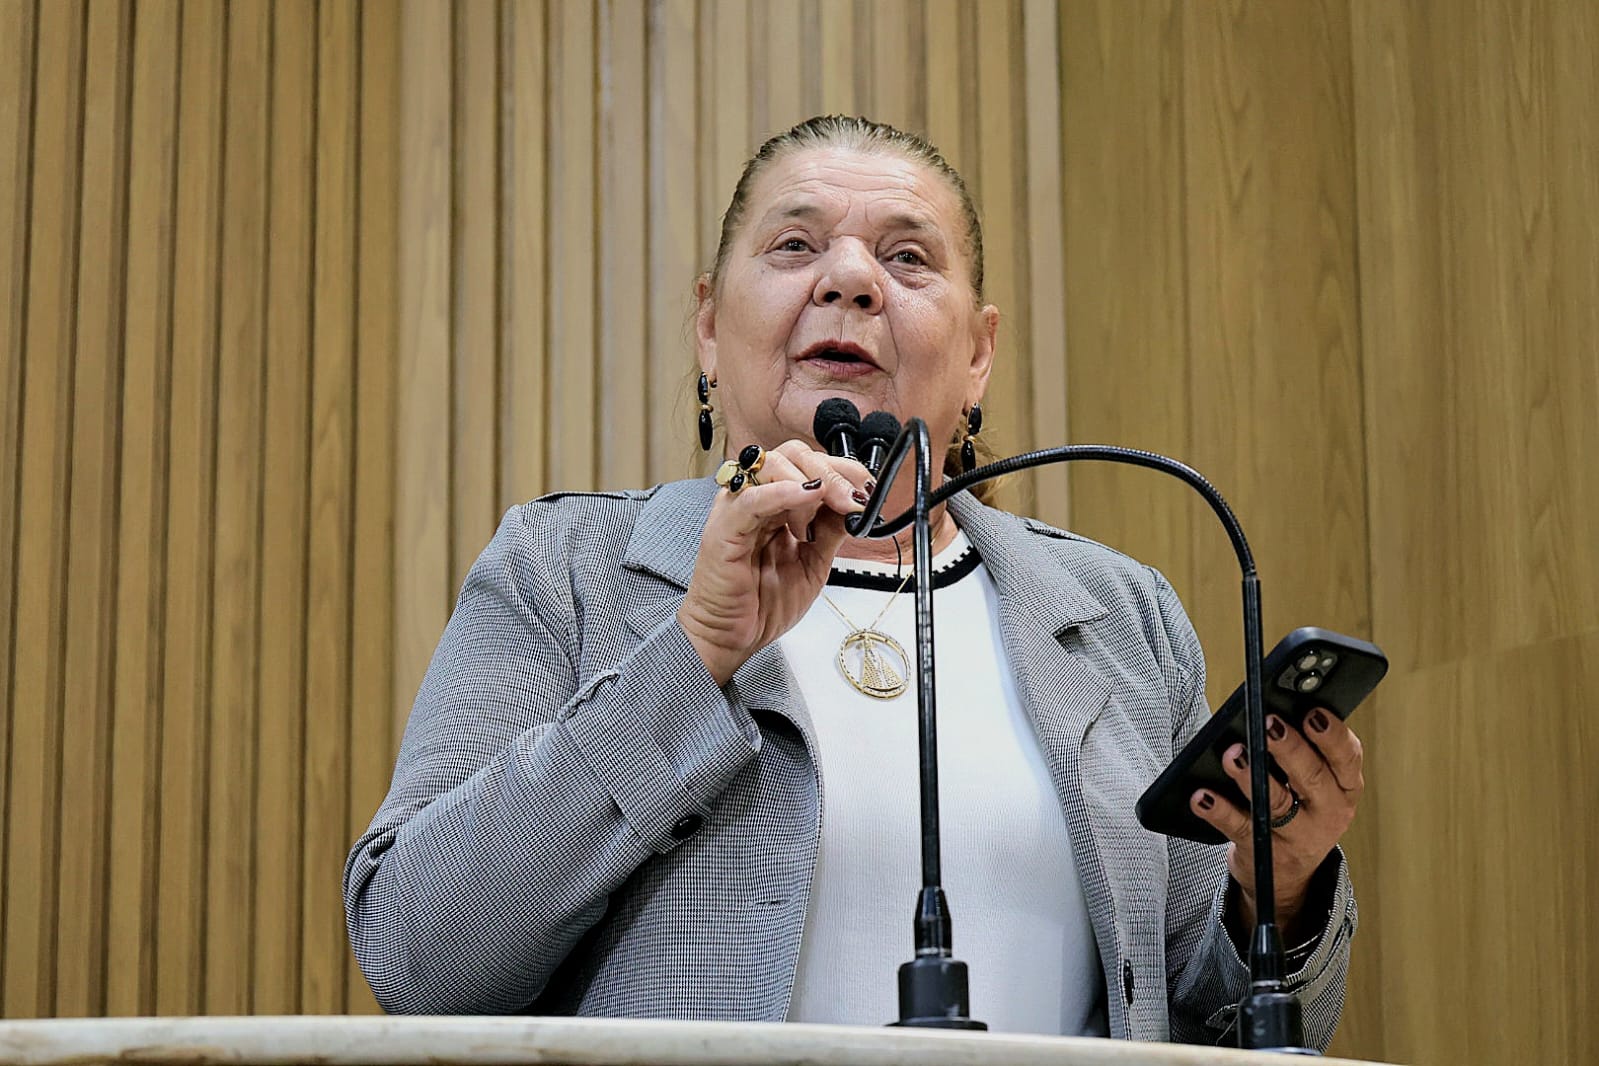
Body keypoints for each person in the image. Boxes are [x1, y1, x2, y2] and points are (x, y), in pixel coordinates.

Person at [344, 115, 1361, 1045]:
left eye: (907, 257)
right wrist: (693, 655)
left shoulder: (1122, 619)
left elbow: (1214, 1024)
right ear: (709, 326)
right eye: (795, 246)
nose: (850, 280)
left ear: (978, 354)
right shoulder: (564, 569)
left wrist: (1276, 896)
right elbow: (418, 955)